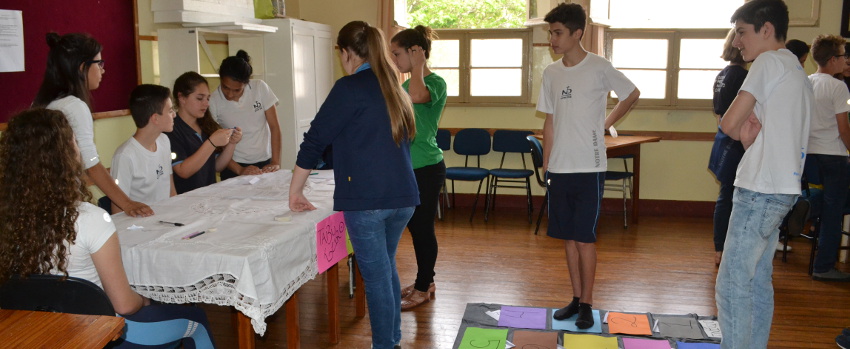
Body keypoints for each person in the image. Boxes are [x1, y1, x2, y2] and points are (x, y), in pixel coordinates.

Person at [0, 108, 216, 348]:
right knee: (197, 322)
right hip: (103, 334)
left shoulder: (8, 220)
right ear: (64, 156)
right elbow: (124, 305)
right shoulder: (90, 219)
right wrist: (144, 299)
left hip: (39, 332)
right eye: (75, 141)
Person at [288, 21, 418, 349]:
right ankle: (392, 342)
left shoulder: (350, 87)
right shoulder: (393, 84)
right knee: (386, 269)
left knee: (375, 281)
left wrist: (295, 190)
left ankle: (385, 345)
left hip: (368, 201)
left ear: (346, 53)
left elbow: (315, 140)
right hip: (402, 198)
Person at [716, 1, 812, 348]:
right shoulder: (795, 69)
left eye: (742, 32)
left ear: (766, 30)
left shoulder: (768, 61)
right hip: (781, 189)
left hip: (760, 190)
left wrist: (736, 130)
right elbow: (753, 130)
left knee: (731, 283)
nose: (737, 41)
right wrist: (747, 138)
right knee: (756, 281)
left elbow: (728, 123)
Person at [539, 3, 640, 329]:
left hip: (590, 167)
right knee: (568, 238)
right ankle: (574, 297)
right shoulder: (551, 73)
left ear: (577, 33)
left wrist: (606, 122)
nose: (552, 39)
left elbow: (631, 93)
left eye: (557, 33)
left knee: (585, 238)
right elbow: (550, 122)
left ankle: (587, 303)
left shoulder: (599, 67)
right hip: (560, 168)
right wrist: (547, 163)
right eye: (550, 33)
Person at [32, 32, 153, 217]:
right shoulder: (74, 106)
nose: (103, 70)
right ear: (82, 67)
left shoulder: (42, 102)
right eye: (99, 64)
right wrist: (127, 204)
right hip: (60, 201)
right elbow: (92, 165)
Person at [389, 25, 447, 311]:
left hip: (427, 168)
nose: (394, 59)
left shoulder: (435, 83)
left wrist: (418, 67)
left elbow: (418, 97)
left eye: (398, 54)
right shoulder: (402, 86)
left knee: (422, 229)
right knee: (414, 228)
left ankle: (423, 287)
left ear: (415, 53)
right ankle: (427, 281)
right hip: (404, 168)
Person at [806, 34, 850, 282]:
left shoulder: (807, 82)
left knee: (826, 204)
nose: (846, 60)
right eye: (843, 55)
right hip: (833, 156)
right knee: (835, 212)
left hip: (809, 157)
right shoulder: (837, 86)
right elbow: (843, 129)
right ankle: (824, 266)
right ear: (833, 60)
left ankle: (809, 211)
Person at [210, 50, 282, 180]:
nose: (230, 94)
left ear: (247, 83)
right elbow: (216, 144)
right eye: (225, 88)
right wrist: (240, 169)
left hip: (265, 162)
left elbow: (274, 127)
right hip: (233, 166)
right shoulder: (213, 101)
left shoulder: (260, 88)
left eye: (237, 90)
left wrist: (275, 162)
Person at [708, 29, 747, 266]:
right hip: (735, 140)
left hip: (724, 137)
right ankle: (722, 249)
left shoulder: (722, 74)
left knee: (726, 196)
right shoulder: (741, 76)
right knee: (729, 197)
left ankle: (720, 248)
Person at [167, 71, 242, 194]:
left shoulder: (205, 125)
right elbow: (183, 171)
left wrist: (232, 144)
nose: (206, 104)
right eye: (199, 98)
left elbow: (217, 166)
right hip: (186, 200)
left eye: (208, 98)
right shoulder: (172, 129)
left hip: (209, 196)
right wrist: (211, 143)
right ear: (182, 98)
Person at [110, 84, 177, 212]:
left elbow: (171, 191)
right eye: (170, 111)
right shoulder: (125, 155)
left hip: (167, 219)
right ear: (155, 118)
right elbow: (117, 211)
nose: (174, 115)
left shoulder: (164, 141)